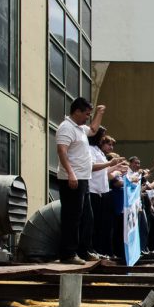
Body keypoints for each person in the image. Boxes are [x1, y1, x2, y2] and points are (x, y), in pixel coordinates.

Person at [56, 99, 117, 263]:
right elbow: (62, 151)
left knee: (87, 218)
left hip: (83, 179)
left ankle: (84, 250)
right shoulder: (66, 127)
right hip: (72, 179)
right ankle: (68, 253)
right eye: (86, 114)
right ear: (77, 111)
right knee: (72, 217)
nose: (87, 118)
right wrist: (71, 173)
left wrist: (99, 113)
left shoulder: (80, 129)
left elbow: (94, 129)